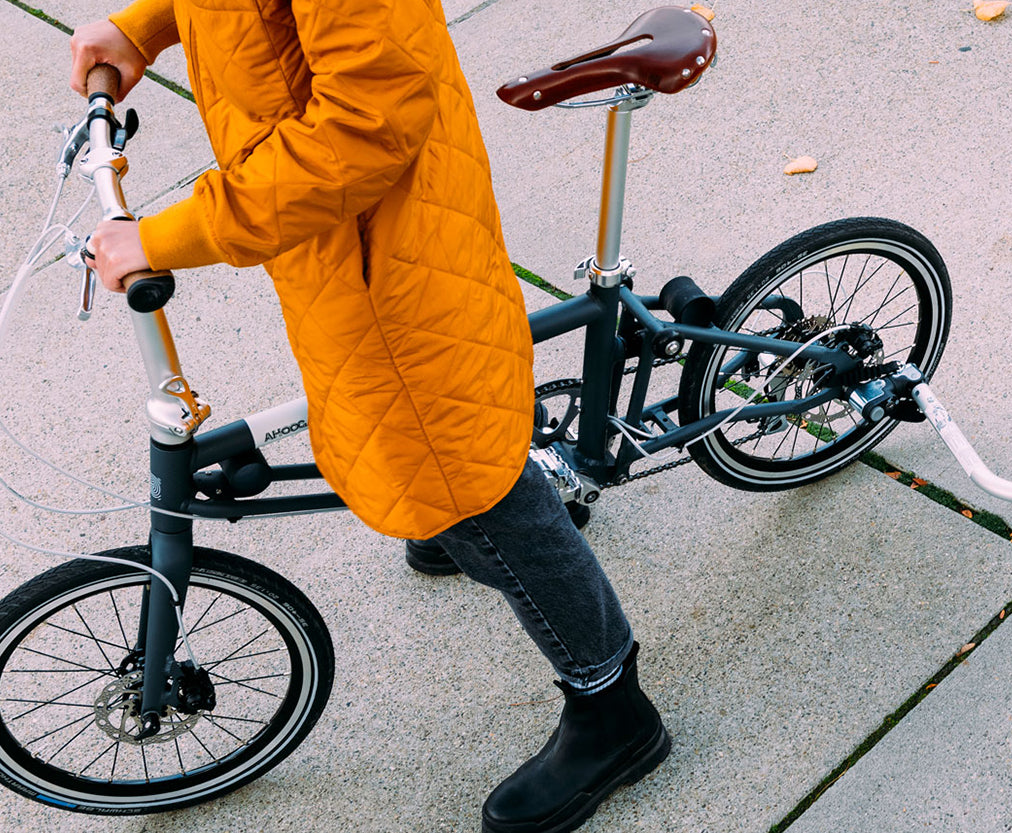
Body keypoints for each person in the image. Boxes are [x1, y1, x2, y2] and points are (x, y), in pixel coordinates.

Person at [69, 1, 666, 830]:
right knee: (420, 436)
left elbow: (364, 125)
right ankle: (444, 519)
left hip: (387, 242)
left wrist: (171, 234)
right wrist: (145, 27)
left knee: (472, 478)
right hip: (345, 243)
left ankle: (614, 709)